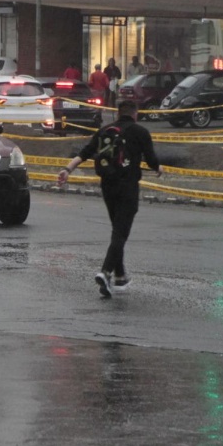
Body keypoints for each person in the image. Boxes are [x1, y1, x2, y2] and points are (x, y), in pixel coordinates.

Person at [57, 100, 162, 298]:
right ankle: (105, 272)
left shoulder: (105, 130)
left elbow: (85, 153)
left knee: (117, 230)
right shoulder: (140, 132)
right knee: (121, 233)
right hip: (128, 187)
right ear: (135, 114)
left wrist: (67, 169)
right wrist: (159, 168)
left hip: (108, 186)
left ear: (117, 114)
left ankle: (120, 276)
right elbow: (151, 159)